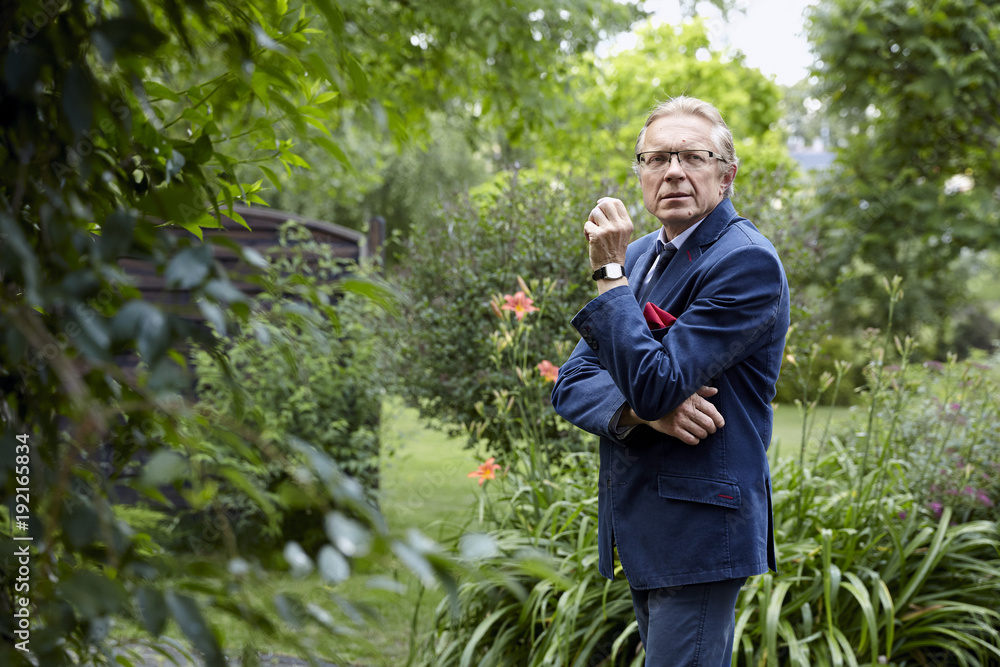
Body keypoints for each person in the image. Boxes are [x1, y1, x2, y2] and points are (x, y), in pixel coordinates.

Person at [550, 96, 790, 666]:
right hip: (646, 521)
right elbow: (571, 382)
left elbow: (655, 381)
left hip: (701, 528)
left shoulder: (745, 262)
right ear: (640, 173)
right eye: (656, 159)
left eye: (692, 156)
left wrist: (608, 278)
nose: (673, 171)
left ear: (726, 176)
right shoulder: (640, 255)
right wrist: (643, 412)